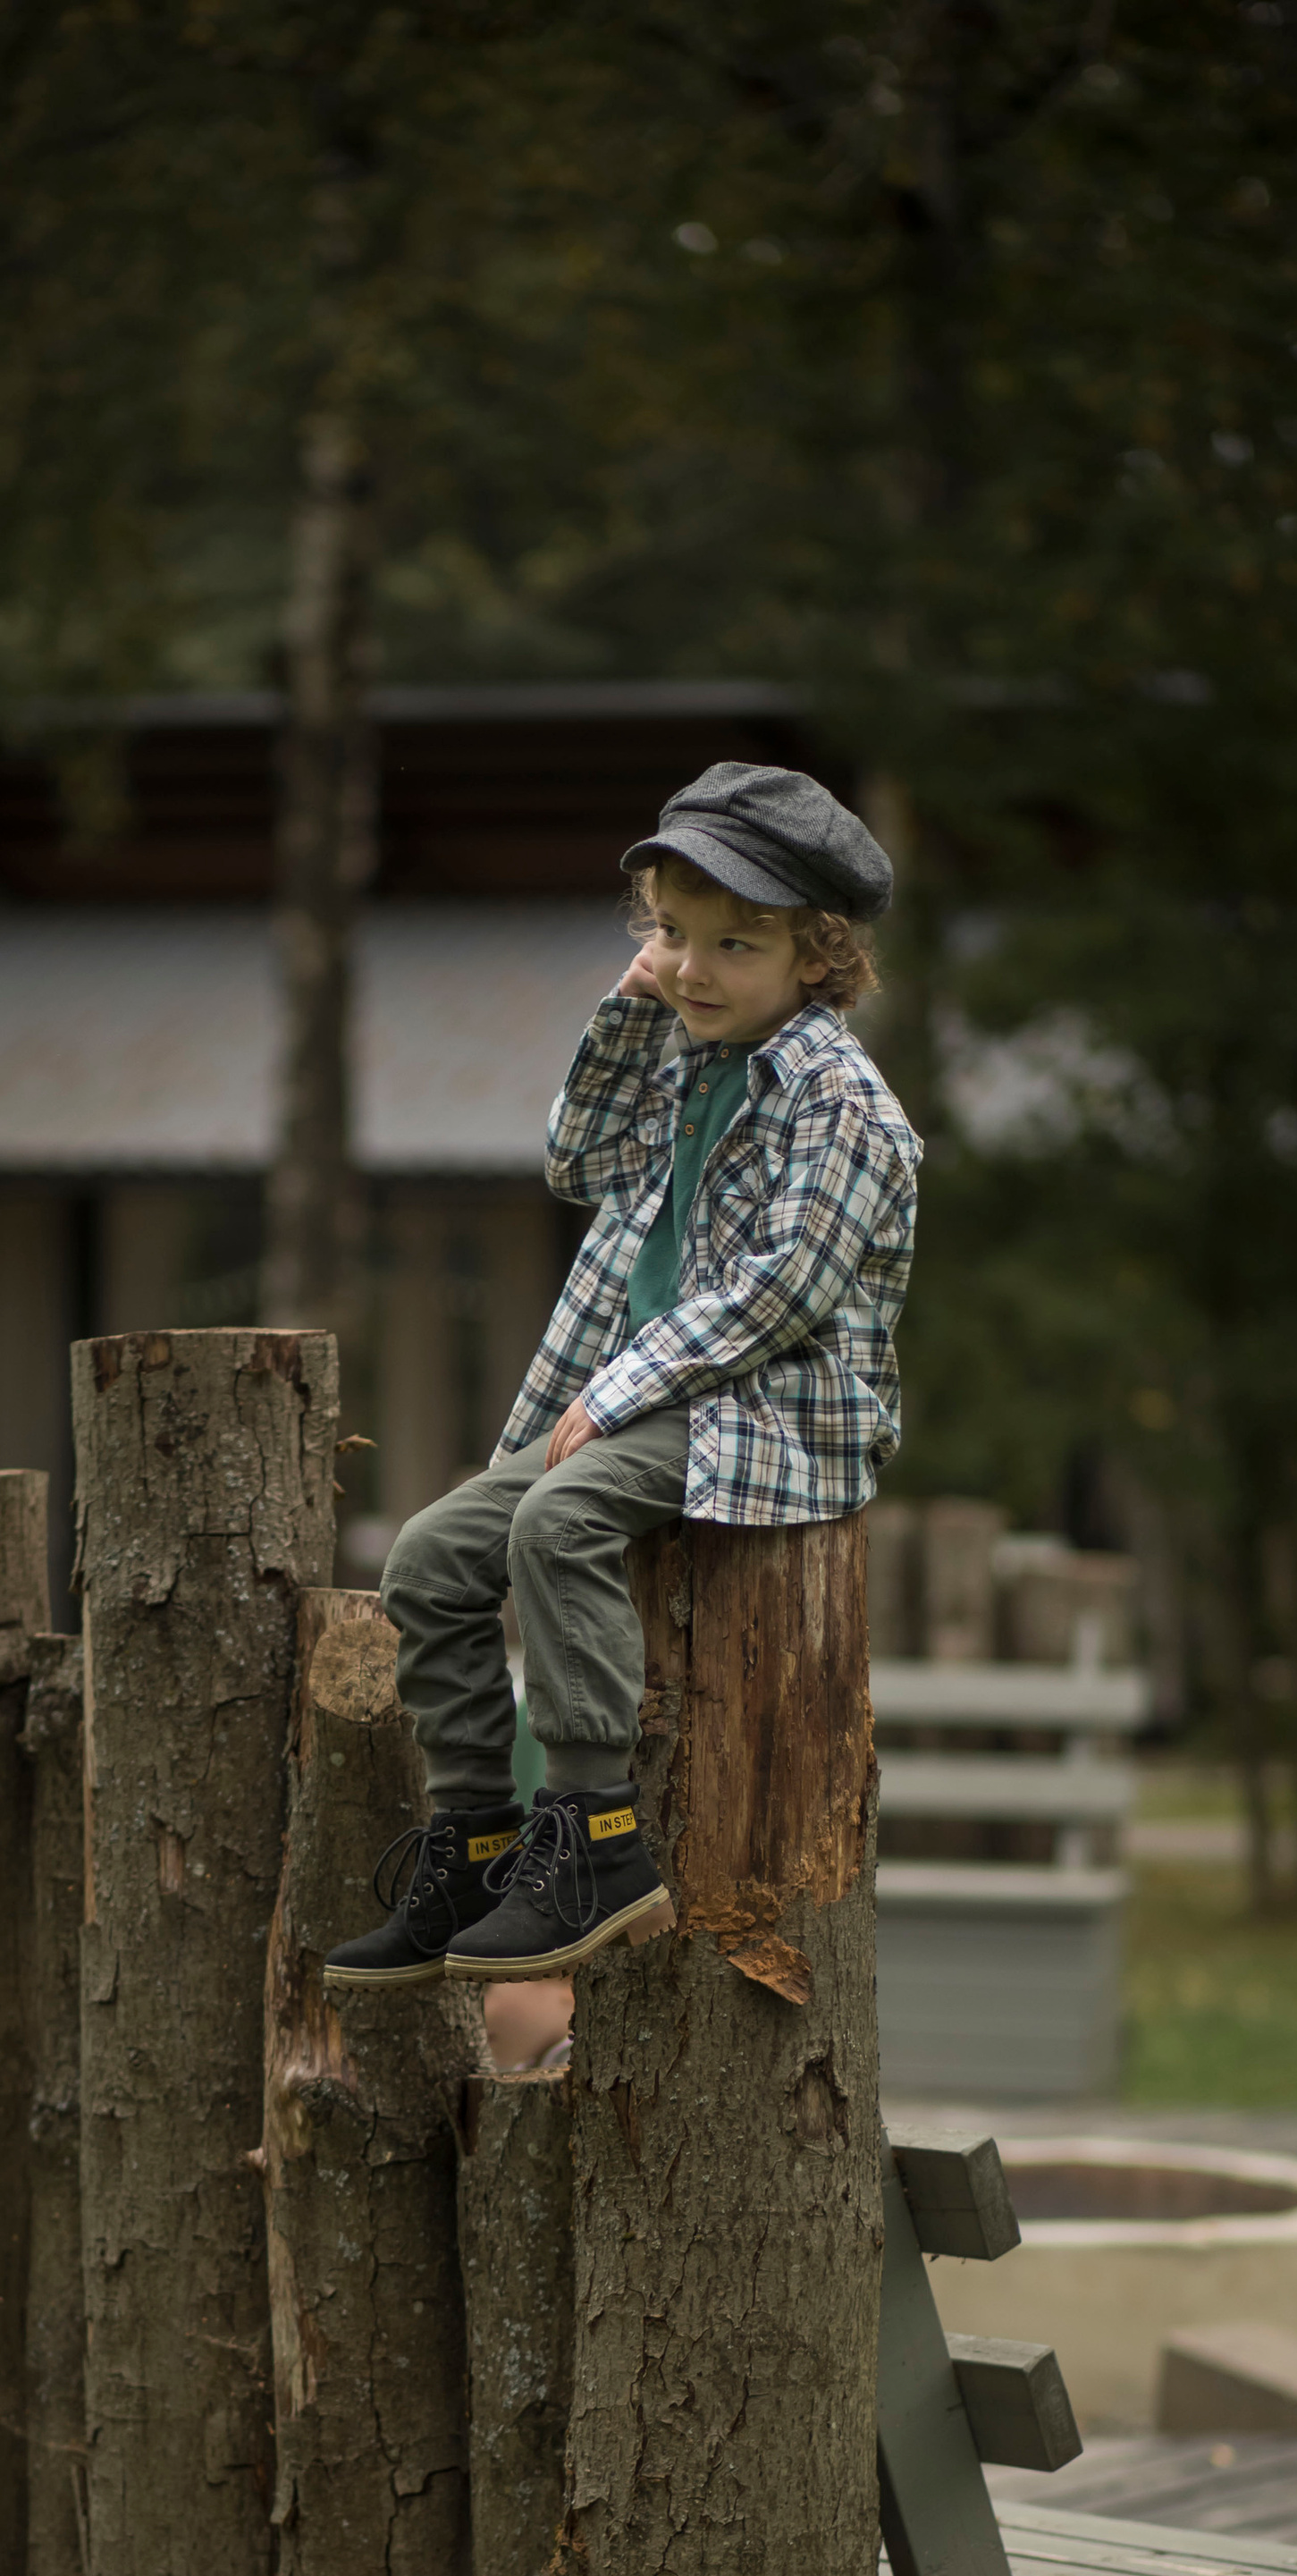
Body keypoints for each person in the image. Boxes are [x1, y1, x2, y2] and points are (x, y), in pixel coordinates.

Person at [324, 757, 919, 1989]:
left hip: (767, 1415)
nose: (694, 968)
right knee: (430, 1559)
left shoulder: (845, 1107)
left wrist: (626, 1385)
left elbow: (783, 1291)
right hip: (649, 1403)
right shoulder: (684, 1058)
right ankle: (480, 1837)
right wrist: (635, 1005)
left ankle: (595, 1839)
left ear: (818, 956)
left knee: (556, 1521)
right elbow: (574, 1155)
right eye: (671, 934)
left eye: (734, 945)